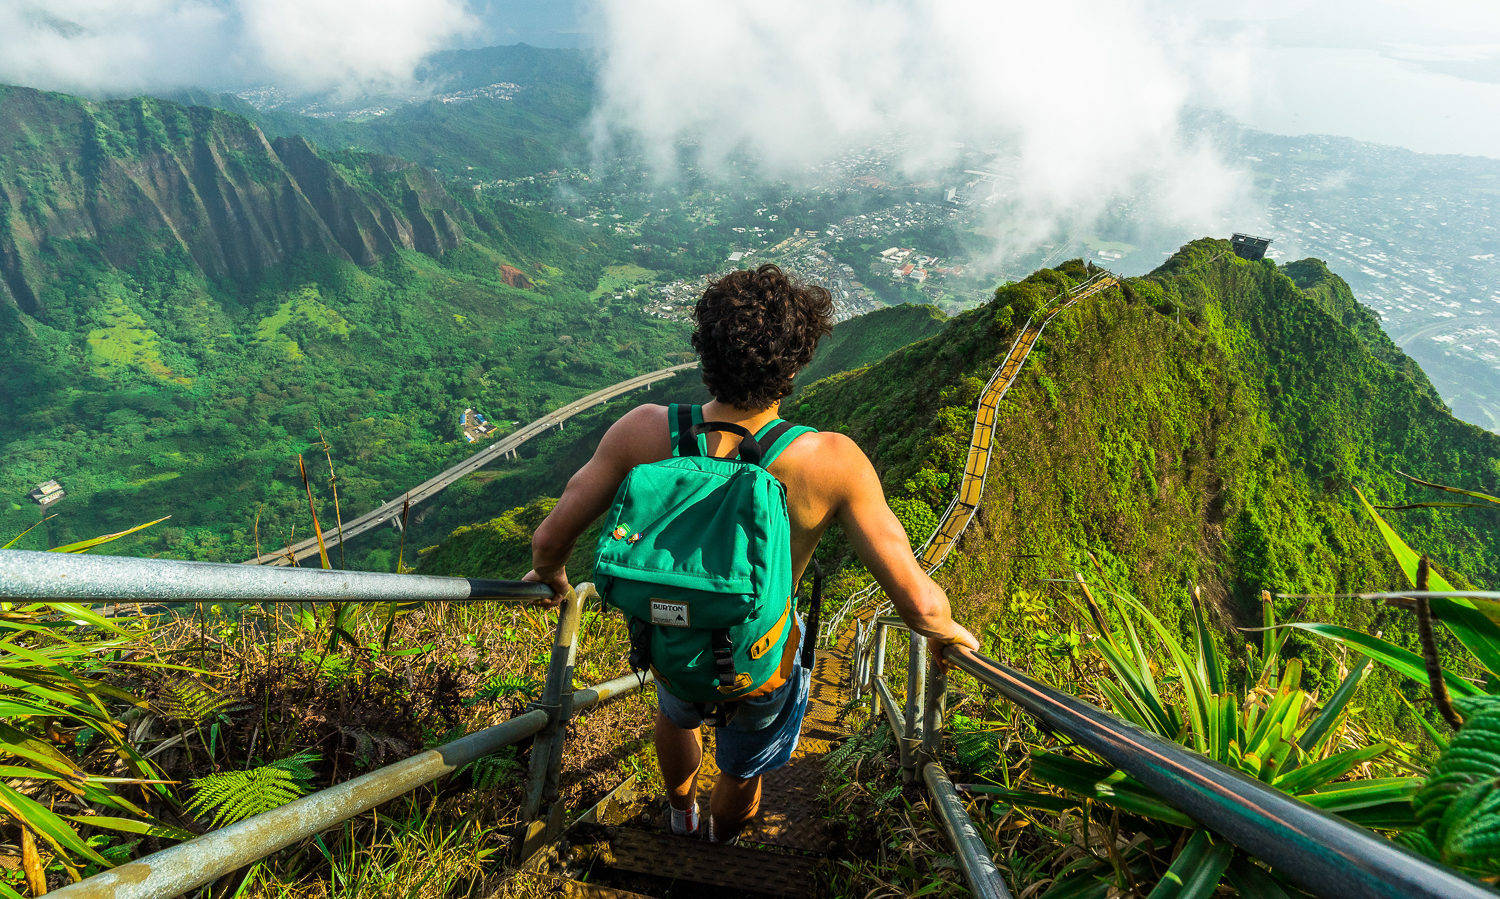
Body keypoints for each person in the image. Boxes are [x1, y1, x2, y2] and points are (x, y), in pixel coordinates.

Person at [524, 263, 979, 843]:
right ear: (796, 363)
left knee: (674, 713)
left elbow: (547, 542)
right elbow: (917, 602)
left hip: (670, 640)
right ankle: (720, 839)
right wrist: (948, 634)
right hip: (759, 663)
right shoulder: (830, 461)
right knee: (742, 766)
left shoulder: (641, 431)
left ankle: (680, 812)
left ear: (704, 350)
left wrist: (553, 578)